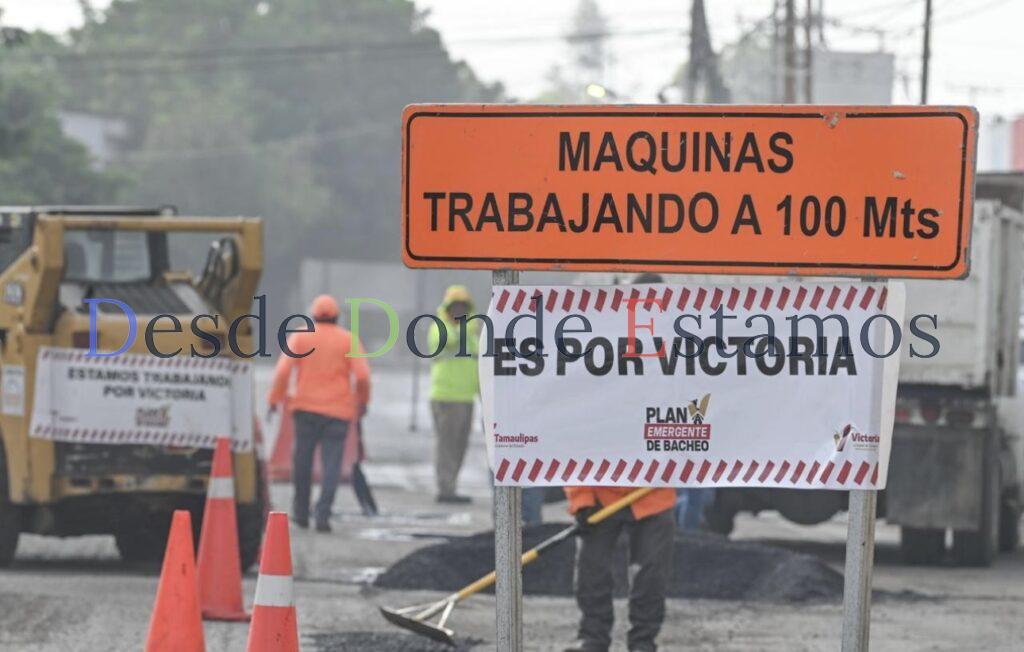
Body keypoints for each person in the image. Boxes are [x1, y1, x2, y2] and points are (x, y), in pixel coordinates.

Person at [268, 294, 371, 532]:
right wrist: (362, 402)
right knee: (331, 464)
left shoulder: (301, 337)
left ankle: (301, 513)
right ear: (337, 316)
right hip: (338, 412)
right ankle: (323, 514)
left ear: (313, 315)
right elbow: (363, 376)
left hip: (304, 409)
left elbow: (283, 372)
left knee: (301, 462)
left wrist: (274, 400)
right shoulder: (348, 340)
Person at [564, 486, 677, 652]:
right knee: (591, 568)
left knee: (651, 574)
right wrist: (581, 500)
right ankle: (592, 640)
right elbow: (573, 460)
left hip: (653, 492)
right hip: (600, 494)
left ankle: (643, 642)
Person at [429, 285, 480, 504]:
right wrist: (467, 327)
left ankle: (452, 485)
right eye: (455, 307)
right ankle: (445, 488)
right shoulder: (439, 327)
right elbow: (448, 340)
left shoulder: (470, 334)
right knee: (447, 445)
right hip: (447, 397)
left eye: (463, 307)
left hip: (466, 397)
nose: (459, 311)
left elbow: (476, 362)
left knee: (459, 446)